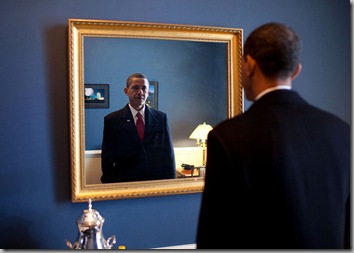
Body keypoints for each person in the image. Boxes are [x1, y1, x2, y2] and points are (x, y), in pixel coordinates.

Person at [196, 23, 350, 249]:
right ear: (296, 70)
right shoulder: (341, 131)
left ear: (248, 64)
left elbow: (214, 237)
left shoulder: (227, 137)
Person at [101, 73, 176, 183]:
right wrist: (110, 185)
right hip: (124, 183)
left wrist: (171, 184)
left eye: (144, 88)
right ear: (126, 91)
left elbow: (168, 155)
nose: (140, 92)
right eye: (135, 88)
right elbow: (107, 159)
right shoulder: (112, 120)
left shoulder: (161, 118)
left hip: (155, 183)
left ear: (148, 92)